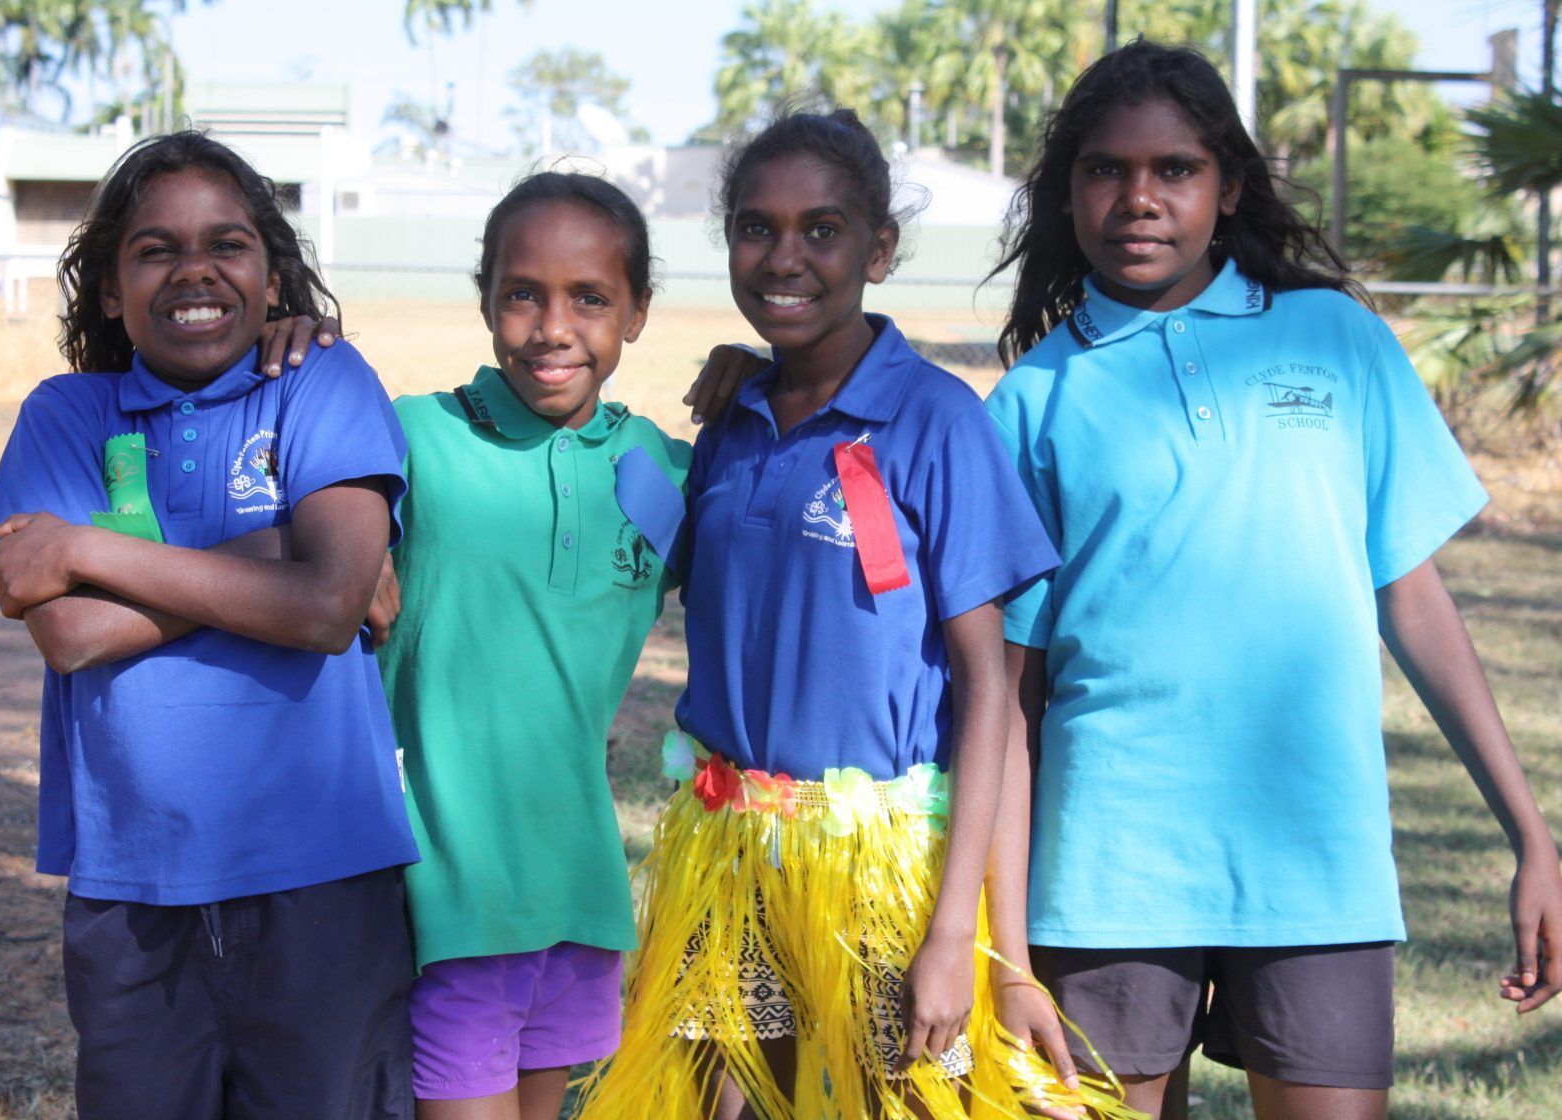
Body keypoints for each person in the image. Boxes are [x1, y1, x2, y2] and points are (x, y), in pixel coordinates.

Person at [981, 41, 1562, 1120]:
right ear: (1069, 193)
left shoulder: (1337, 339)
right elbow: (1007, 698)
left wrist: (1531, 834)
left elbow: (1414, 598)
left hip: (1317, 857)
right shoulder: (1032, 402)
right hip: (1107, 870)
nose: (1139, 198)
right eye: (1106, 169)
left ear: (1229, 186)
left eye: (1176, 170)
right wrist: (1006, 947)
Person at [575, 110, 1142, 1120]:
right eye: (757, 228)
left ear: (879, 250)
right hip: (731, 858)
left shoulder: (937, 421)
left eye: (823, 230)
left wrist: (963, 942)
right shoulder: (732, 421)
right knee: (725, 1099)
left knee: (914, 1097)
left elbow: (989, 696)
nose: (784, 257)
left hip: (886, 877)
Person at [0, 130, 417, 1120]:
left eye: (227, 244)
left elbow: (325, 608)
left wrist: (86, 549)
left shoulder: (321, 384)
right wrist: (288, 550)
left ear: (273, 279)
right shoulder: (63, 415)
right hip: (133, 876)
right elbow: (74, 636)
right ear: (107, 288)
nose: (194, 271)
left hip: (323, 874)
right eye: (153, 249)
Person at [375, 172, 691, 1120]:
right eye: (524, 293)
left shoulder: (664, 469)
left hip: (577, 893)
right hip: (447, 898)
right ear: (485, 300)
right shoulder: (410, 439)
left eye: (591, 298)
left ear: (635, 312)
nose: (553, 327)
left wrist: (747, 372)